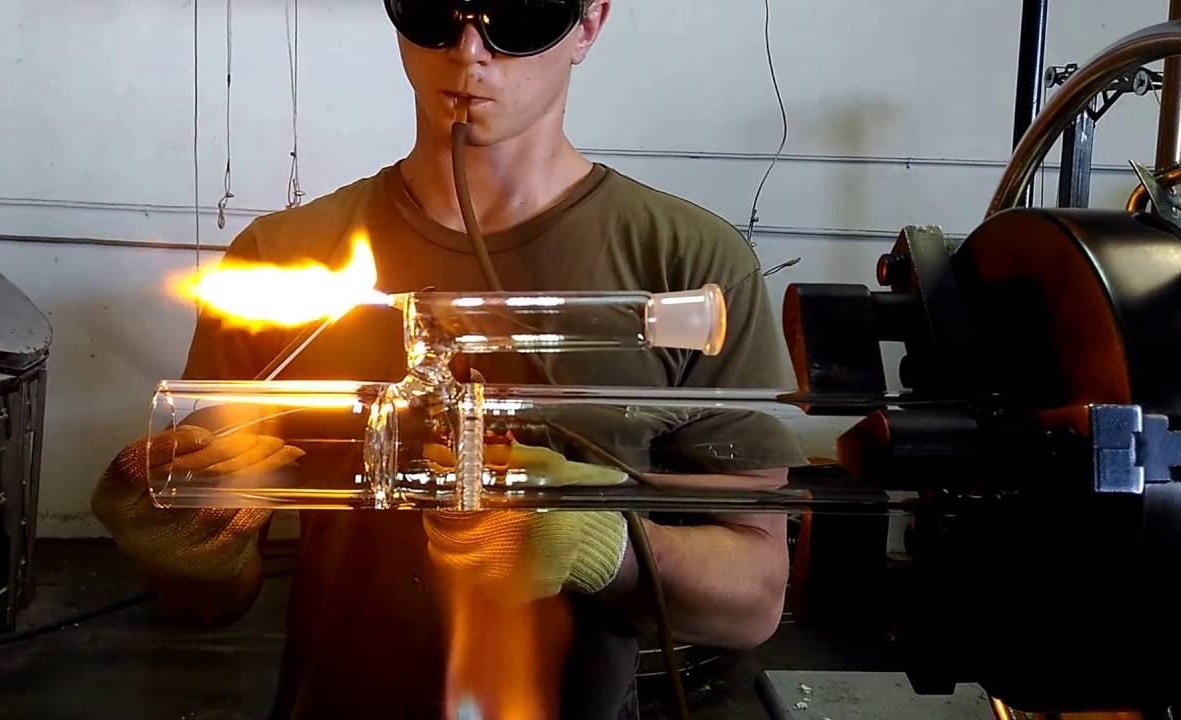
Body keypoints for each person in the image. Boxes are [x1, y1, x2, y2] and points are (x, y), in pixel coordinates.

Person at [92, 0, 807, 717]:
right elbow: (207, 601)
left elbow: (753, 599)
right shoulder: (281, 264)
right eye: (437, 9)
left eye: (522, 16)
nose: (470, 50)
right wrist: (184, 543)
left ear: (588, 24)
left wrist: (597, 541)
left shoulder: (689, 273)